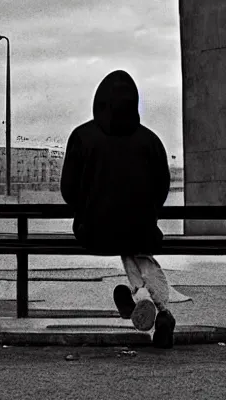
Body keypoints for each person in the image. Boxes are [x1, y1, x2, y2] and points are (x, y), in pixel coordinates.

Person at [60, 69, 176, 348]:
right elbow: (161, 190)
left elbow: (68, 190)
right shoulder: (151, 141)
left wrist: (90, 209)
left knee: (119, 230)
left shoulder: (81, 136)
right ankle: (152, 303)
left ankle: (139, 297)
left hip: (94, 233)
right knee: (134, 238)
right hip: (141, 232)